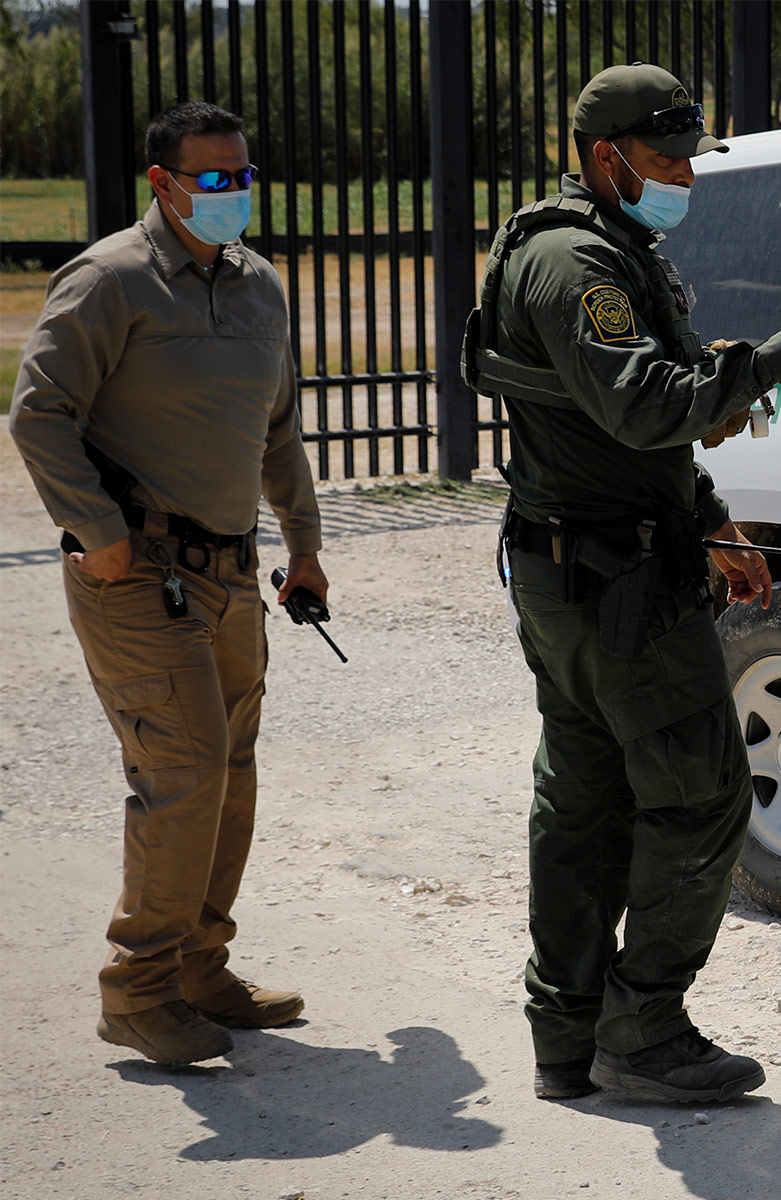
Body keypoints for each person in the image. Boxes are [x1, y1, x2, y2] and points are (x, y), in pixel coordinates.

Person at [462, 62, 781, 1104]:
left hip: (582, 564)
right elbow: (644, 408)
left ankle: (566, 1035)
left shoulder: (593, 245)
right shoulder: (576, 263)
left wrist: (712, 522)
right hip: (615, 583)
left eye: (688, 158)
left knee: (585, 801)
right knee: (701, 793)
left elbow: (626, 439)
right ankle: (641, 1031)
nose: (683, 176)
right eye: (666, 159)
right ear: (606, 157)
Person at [9, 101, 325, 1065]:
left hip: (230, 575)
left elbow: (277, 432)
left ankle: (197, 967)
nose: (234, 193)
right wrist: (99, 535)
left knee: (230, 775)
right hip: (138, 576)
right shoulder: (110, 280)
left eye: (244, 175)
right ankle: (138, 991)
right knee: (183, 774)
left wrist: (305, 545)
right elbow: (39, 413)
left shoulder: (260, 286)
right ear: (164, 182)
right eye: (214, 178)